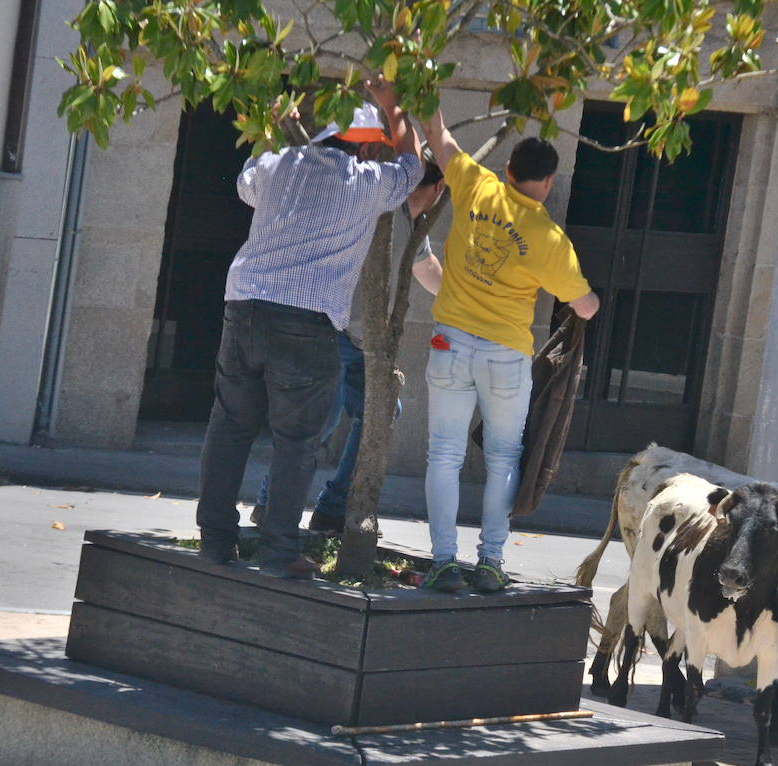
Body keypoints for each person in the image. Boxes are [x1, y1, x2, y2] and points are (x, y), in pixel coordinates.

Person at [196, 79, 422, 579]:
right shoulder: (367, 182)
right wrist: (395, 105)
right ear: (364, 144)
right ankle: (279, 553)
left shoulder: (279, 164)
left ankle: (214, 542)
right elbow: (414, 167)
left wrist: (275, 128)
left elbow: (244, 183)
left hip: (244, 306)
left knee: (230, 426)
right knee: (296, 442)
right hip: (307, 318)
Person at [419, 102, 600, 592]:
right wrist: (592, 295)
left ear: (508, 170)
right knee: (503, 457)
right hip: (506, 355)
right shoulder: (549, 239)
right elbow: (584, 308)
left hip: (448, 339)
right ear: (547, 183)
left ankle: (441, 562)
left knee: (444, 454)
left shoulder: (476, 184)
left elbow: (438, 137)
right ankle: (491, 562)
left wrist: (421, 88)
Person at [250, 153, 446, 535]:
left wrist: (464, 299)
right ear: (440, 188)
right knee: (319, 422)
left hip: (365, 342)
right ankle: (271, 504)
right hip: (333, 329)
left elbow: (425, 269)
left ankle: (333, 508)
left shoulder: (411, 224)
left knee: (382, 411)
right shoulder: (374, 205)